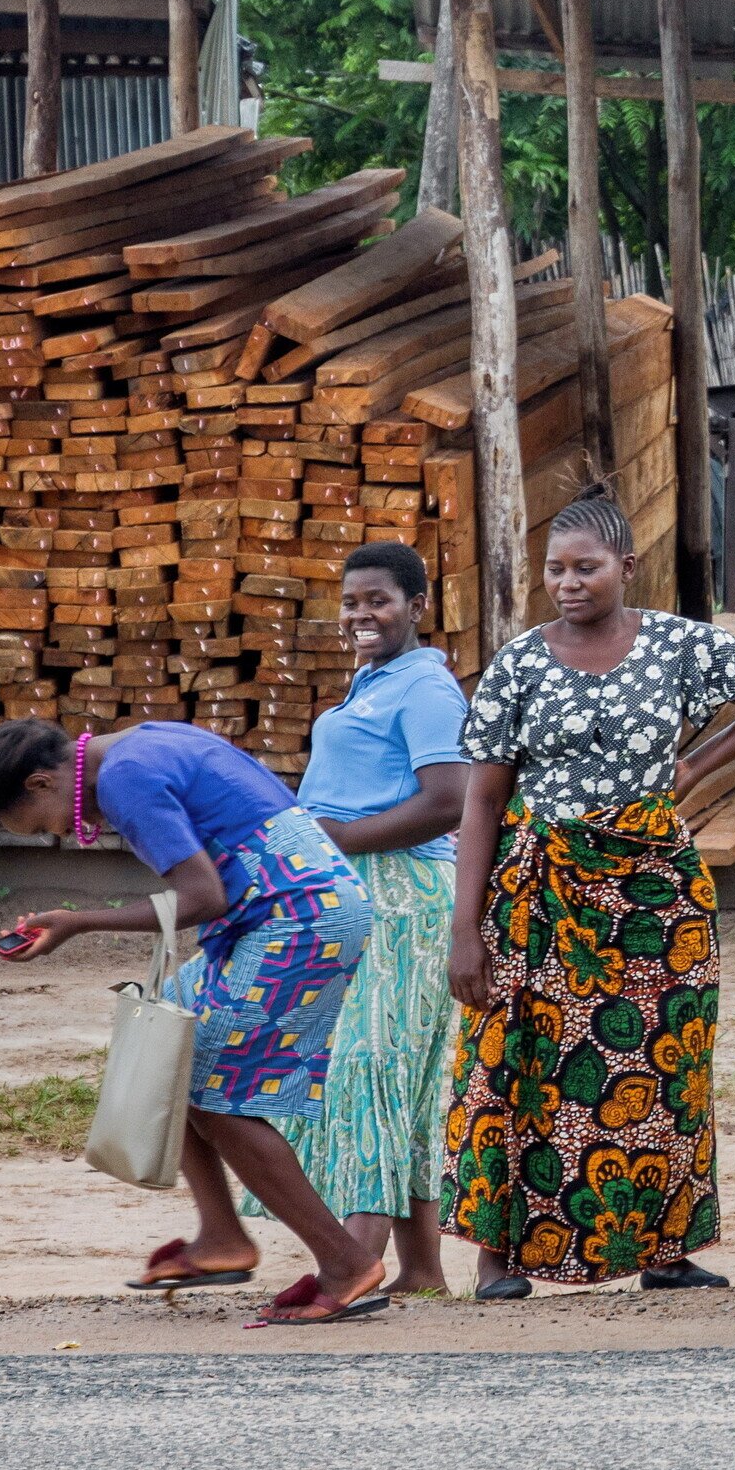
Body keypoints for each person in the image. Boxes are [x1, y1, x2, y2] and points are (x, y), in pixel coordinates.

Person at [445, 480, 735, 1300]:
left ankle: (665, 1251)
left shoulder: (681, 646)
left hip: (654, 897)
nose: (568, 583)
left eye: (586, 568)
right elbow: (483, 800)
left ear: (627, 567)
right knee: (518, 1062)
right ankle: (500, 1258)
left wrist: (694, 766)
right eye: (555, 570)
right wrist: (465, 928)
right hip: (539, 893)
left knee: (662, 1060)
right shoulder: (519, 664)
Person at [0, 717, 386, 1325]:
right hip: (293, 906)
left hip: (297, 916)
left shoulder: (124, 780)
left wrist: (80, 920)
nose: (60, 834)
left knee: (218, 1094)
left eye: (37, 823)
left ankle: (346, 1263)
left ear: (42, 781)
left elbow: (202, 897)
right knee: (173, 1050)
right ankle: (221, 1238)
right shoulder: (144, 740)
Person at [247, 541, 469, 1296]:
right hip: (359, 885)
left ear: (417, 605)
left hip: (399, 896)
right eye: (351, 602)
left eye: (378, 601)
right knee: (397, 1075)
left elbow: (449, 800)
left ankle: (354, 1263)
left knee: (367, 1067)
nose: (361, 615)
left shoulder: (428, 689)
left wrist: (336, 839)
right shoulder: (373, 680)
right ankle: (424, 1272)